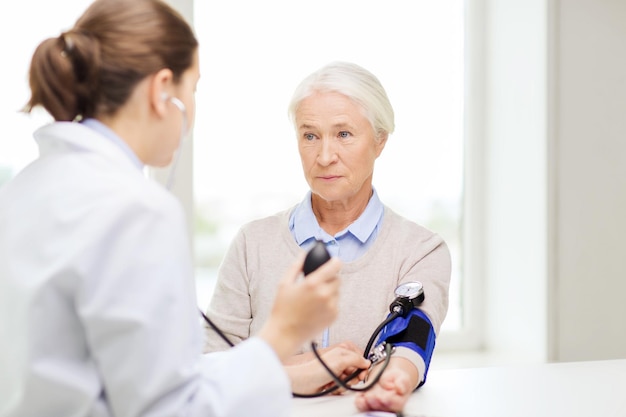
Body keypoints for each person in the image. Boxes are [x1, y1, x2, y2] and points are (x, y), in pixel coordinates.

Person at [0, 2, 347, 416]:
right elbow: (170, 409)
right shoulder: (137, 210)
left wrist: (282, 367)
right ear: (162, 89)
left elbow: (142, 375)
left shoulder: (25, 188)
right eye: (193, 87)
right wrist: (285, 331)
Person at [203, 61, 452, 413]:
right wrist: (305, 371)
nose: (324, 156)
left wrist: (392, 382)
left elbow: (410, 345)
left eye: (344, 134)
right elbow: (211, 366)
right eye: (310, 136)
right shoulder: (251, 244)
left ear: (380, 140)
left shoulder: (422, 250)